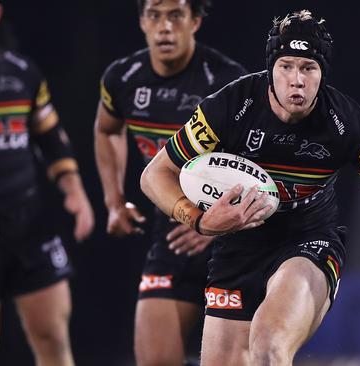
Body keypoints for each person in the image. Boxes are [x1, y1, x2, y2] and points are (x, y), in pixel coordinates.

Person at [141, 9, 360, 366]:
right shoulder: (229, 106)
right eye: (286, 66)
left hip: (309, 243)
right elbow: (154, 175)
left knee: (268, 346)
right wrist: (200, 220)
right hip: (238, 248)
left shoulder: (350, 125)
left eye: (307, 68)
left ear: (322, 74)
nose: (296, 80)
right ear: (271, 68)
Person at [93, 0, 247, 364]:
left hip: (237, 241)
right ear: (142, 22)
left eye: (175, 15)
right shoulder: (123, 78)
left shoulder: (227, 81)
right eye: (154, 16)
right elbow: (106, 129)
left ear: (194, 21)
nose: (165, 27)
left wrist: (215, 225)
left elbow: (260, 162)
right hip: (175, 232)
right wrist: (114, 201)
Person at [0, 0, 95, 365]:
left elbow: (51, 138)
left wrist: (75, 192)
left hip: (28, 225)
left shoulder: (23, 74)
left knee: (53, 337)